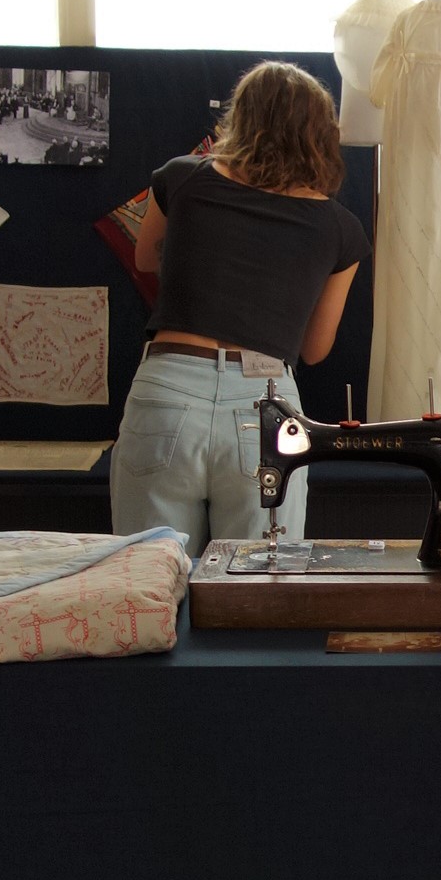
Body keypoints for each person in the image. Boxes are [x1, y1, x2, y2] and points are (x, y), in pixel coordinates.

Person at [111, 60, 370, 552]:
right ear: (320, 135)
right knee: (262, 592)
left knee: (147, 588)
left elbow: (145, 258)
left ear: (240, 117)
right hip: (265, 404)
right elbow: (314, 350)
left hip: (167, 391)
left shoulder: (183, 178)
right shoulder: (341, 229)